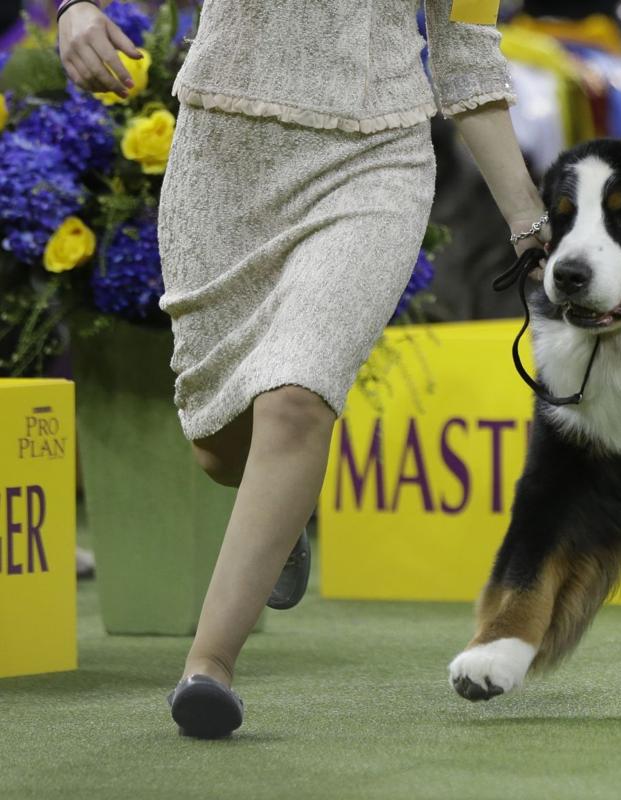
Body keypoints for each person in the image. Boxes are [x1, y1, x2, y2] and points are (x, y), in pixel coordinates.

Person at [56, 0, 548, 738]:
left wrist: (531, 226)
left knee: (295, 397)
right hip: (221, 160)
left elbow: (468, 60)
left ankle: (209, 666)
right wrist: (76, 9)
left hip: (374, 163)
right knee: (220, 447)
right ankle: (277, 522)